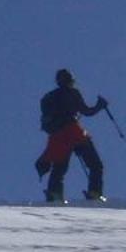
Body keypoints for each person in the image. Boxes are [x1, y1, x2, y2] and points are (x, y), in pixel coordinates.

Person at [35, 69, 107, 204]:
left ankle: (54, 194)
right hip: (74, 133)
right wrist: (100, 106)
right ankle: (95, 192)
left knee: (59, 167)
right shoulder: (72, 93)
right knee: (95, 164)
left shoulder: (50, 97)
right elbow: (87, 111)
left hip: (57, 136)